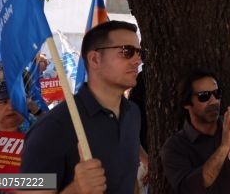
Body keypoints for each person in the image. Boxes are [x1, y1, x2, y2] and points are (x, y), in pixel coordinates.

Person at [21, 20, 143, 193]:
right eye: (127, 51)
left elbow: (127, 178)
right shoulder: (52, 127)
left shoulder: (132, 114)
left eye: (140, 53)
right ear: (95, 59)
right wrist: (76, 189)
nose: (137, 60)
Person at [160, 70, 230, 193]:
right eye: (204, 96)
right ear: (187, 103)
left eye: (216, 93)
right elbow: (191, 188)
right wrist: (224, 147)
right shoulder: (175, 147)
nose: (214, 101)